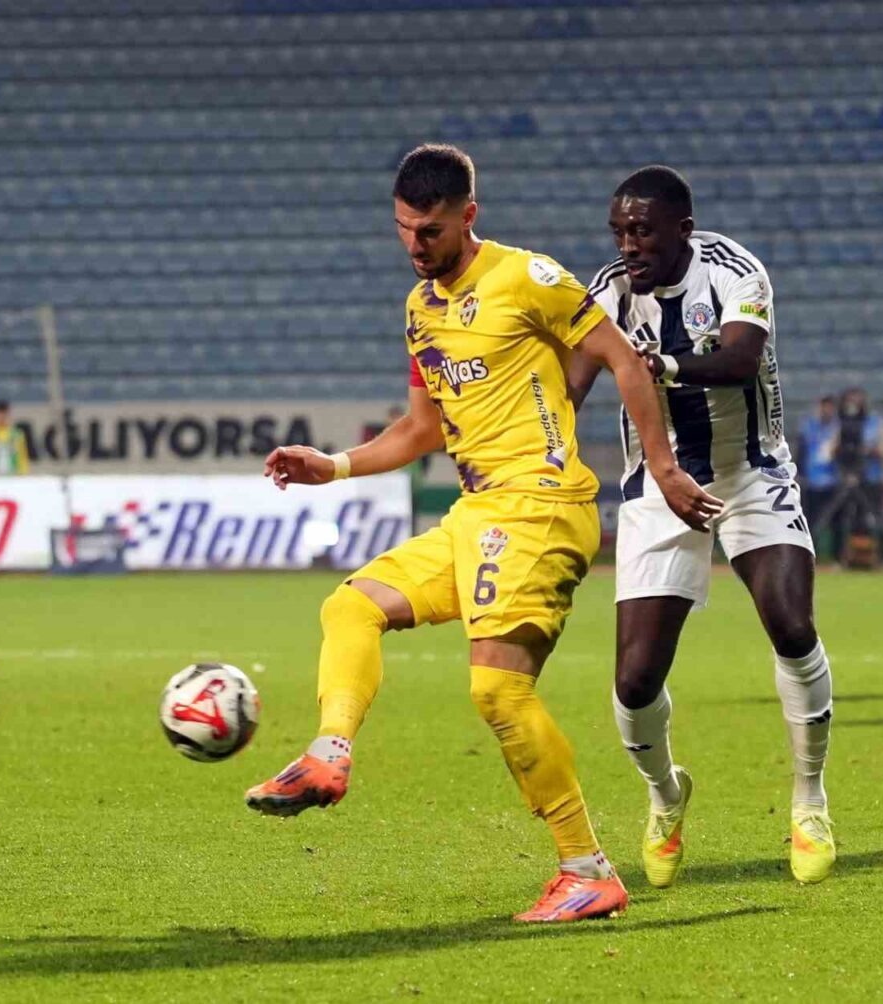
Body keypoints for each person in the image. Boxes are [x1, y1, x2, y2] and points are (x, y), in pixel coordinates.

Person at [245, 145, 721, 924]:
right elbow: (421, 428)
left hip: (541, 505)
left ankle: (586, 870)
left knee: (498, 689)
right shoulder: (419, 308)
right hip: (478, 513)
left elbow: (624, 361)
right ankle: (328, 755)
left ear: (468, 215)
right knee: (351, 606)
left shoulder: (528, 277)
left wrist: (663, 469)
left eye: (429, 231)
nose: (414, 245)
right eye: (403, 229)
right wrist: (333, 466)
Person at [569, 165, 836, 887]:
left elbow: (741, 358)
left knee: (792, 625)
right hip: (657, 487)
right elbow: (571, 384)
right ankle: (665, 795)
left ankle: (809, 799)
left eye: (642, 231)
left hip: (750, 473)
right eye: (620, 232)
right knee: (634, 680)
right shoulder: (608, 289)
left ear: (682, 229)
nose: (629, 245)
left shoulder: (734, 270)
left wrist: (657, 364)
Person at [797, 395, 839, 533]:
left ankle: (837, 546)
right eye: (824, 406)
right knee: (811, 519)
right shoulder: (808, 426)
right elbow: (801, 451)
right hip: (812, 481)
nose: (827, 410)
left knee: (835, 520)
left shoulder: (837, 428)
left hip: (833, 480)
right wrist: (800, 473)